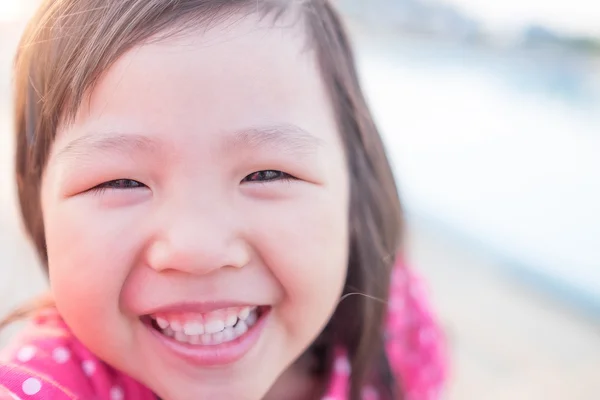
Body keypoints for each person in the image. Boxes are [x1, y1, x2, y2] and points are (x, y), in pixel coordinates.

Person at [0, 1, 447, 399]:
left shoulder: (395, 321)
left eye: (267, 174)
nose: (198, 251)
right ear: (37, 208)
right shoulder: (48, 384)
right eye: (121, 182)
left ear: (354, 191)